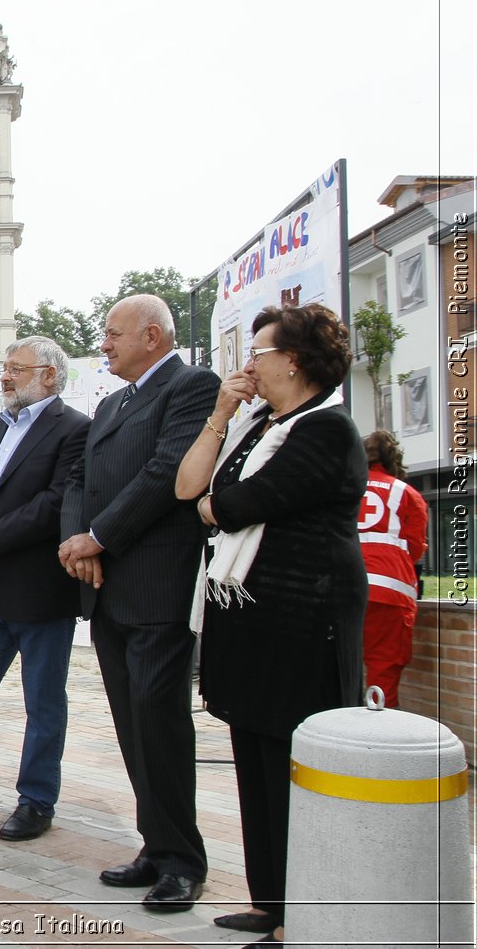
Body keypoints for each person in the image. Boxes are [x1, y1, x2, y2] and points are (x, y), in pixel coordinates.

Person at [176, 302, 367, 944]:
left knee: (293, 760)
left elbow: (239, 503)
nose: (248, 363)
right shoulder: (258, 426)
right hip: (250, 622)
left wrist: (216, 507)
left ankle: (306, 904)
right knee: (254, 758)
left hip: (303, 624)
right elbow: (192, 490)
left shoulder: (325, 430)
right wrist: (222, 414)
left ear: (294, 359)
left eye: (258, 351)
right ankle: (270, 899)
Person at [58, 294, 217, 911]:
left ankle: (182, 859)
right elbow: (81, 479)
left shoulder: (190, 386)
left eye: (112, 334)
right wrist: (81, 543)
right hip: (106, 590)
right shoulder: (111, 402)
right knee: (132, 726)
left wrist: (100, 535)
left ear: (152, 336)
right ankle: (156, 843)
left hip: (156, 586)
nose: (103, 344)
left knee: (161, 723)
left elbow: (167, 471)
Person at [0, 337, 89, 841]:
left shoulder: (74, 429)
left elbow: (56, 502)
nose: (4, 377)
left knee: (43, 701)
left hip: (38, 589)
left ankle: (36, 800)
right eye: (4, 369)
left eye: (15, 369)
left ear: (48, 375)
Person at [357, 430, 428, 709]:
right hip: (390, 591)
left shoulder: (344, 487)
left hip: (342, 586)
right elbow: (415, 547)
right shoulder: (407, 493)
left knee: (335, 666)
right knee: (383, 667)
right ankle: (379, 734)